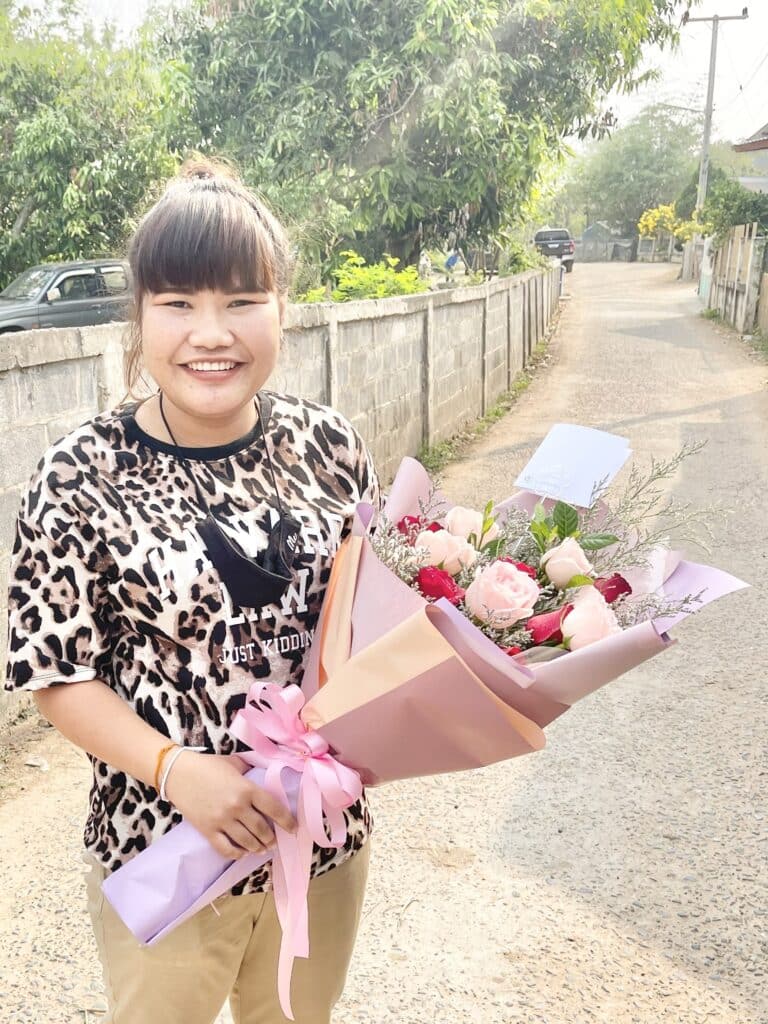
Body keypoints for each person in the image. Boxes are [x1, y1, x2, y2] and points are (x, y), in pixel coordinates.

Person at [4, 157, 380, 1024]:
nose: (212, 332)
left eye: (242, 301)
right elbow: (53, 672)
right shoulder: (78, 474)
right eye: (179, 304)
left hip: (320, 844)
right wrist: (180, 775)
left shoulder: (328, 445)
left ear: (283, 306)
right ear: (137, 318)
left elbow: (370, 625)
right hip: (165, 853)